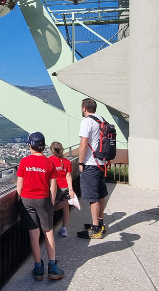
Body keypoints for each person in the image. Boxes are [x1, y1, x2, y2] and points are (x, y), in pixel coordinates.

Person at [16, 132, 64, 281]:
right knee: (48, 231)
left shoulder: (24, 161)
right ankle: (53, 267)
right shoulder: (49, 163)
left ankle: (38, 267)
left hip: (26, 200)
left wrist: (19, 203)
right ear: (43, 147)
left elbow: (20, 185)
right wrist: (52, 201)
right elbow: (53, 187)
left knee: (34, 233)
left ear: (30, 145)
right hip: (43, 199)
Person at [76, 98, 109, 239]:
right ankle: (100, 223)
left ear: (84, 108)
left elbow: (83, 145)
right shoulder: (101, 120)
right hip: (102, 163)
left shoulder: (86, 121)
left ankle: (95, 229)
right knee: (101, 194)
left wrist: (80, 163)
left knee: (92, 196)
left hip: (91, 163)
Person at [48, 141, 74, 237]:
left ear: (52, 151)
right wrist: (70, 189)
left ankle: (49, 229)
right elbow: (68, 176)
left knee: (52, 207)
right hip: (66, 187)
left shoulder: (50, 160)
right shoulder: (67, 162)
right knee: (65, 208)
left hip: (57, 187)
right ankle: (64, 228)